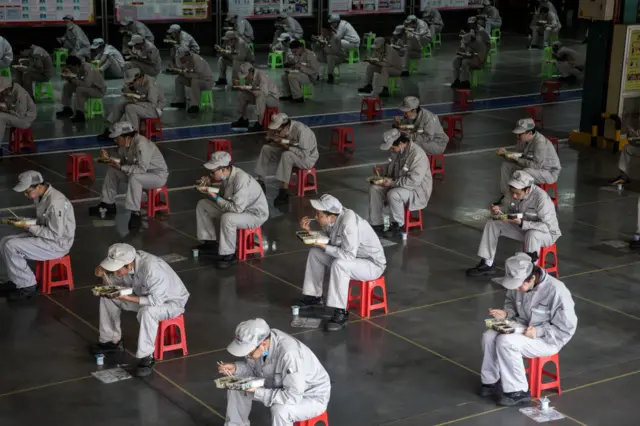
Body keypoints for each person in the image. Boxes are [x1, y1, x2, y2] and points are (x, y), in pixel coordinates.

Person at [481, 253, 577, 406]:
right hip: (523, 327)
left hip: (548, 339)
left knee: (506, 341)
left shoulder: (557, 291)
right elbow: (511, 303)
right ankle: (491, 382)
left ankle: (518, 391)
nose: (517, 289)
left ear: (532, 279)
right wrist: (506, 313)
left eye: (520, 286)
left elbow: (566, 329)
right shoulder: (518, 284)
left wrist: (538, 332)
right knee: (489, 336)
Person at [91, 243, 189, 377]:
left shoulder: (152, 269)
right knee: (107, 297)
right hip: (144, 295)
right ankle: (111, 340)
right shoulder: (129, 263)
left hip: (170, 302)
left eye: (117, 270)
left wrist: (127, 298)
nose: (115, 273)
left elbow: (155, 301)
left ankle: (147, 356)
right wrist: (104, 274)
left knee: (147, 312)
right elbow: (114, 284)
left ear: (129, 265)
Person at [298, 194, 387, 331]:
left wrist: (322, 246)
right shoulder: (335, 219)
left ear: (331, 216)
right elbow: (330, 240)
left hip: (371, 264)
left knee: (339, 265)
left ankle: (341, 313)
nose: (316, 217)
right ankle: (314, 297)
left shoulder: (348, 223)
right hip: (354, 259)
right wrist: (309, 232)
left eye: (319, 214)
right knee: (315, 253)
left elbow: (348, 255)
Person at [218, 318, 331, 425]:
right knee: (237, 386)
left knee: (280, 411)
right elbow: (254, 369)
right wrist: (236, 368)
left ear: (263, 345)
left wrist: (257, 392)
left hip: (309, 395)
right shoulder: (262, 341)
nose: (247, 356)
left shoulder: (290, 355)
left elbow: (292, 396)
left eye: (249, 353)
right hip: (278, 383)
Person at [466, 171, 561, 277]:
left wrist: (523, 223)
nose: (514, 196)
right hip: (522, 227)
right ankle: (488, 263)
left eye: (517, 193)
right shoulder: (512, 192)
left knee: (532, 234)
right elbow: (507, 208)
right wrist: (498, 211)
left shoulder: (541, 199)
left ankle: (530, 274)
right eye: (512, 192)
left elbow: (547, 226)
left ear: (528, 189)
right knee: (493, 222)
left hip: (546, 233)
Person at [0, 171, 75, 302]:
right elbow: (43, 221)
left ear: (39, 186)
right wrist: (24, 221)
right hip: (46, 237)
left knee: (11, 246)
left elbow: (55, 234)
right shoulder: (41, 196)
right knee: (4, 241)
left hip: (57, 244)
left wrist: (29, 227)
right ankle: (16, 280)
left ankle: (27, 285)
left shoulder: (55, 202)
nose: (26, 195)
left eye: (27, 192)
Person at [194, 151, 269, 269]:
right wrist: (209, 186)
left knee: (228, 218)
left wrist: (214, 196)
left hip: (254, 214)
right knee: (203, 205)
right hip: (239, 209)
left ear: (223, 169)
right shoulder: (227, 176)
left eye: (212, 172)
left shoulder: (241, 179)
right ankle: (210, 242)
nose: (211, 174)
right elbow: (226, 198)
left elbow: (236, 209)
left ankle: (228, 254)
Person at [89, 121, 169, 230]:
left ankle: (135, 213)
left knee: (135, 177)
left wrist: (121, 167)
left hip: (156, 176)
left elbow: (140, 169)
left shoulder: (141, 145)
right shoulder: (125, 144)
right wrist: (108, 159)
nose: (115, 140)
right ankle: (107, 205)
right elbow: (120, 161)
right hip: (141, 173)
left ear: (126, 137)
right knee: (113, 171)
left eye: (117, 138)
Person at [369, 129, 432, 238]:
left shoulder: (417, 155)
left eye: (393, 147)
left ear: (402, 144)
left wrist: (392, 183)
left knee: (393, 194)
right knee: (374, 188)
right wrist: (382, 169)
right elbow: (392, 167)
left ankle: (398, 225)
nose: (392, 150)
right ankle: (377, 224)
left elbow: (413, 181)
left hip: (416, 189)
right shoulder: (398, 151)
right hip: (399, 183)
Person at [255, 113, 319, 205]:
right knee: (266, 148)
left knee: (286, 155)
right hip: (291, 152)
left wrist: (285, 145)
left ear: (285, 127)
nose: (276, 133)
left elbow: (304, 154)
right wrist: (273, 139)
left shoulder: (302, 131)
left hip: (307, 159)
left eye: (277, 131)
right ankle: (261, 182)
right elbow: (289, 142)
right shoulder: (285, 130)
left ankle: (283, 191)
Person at [496, 118, 561, 198]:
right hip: (532, 167)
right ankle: (506, 196)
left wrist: (516, 158)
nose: (517, 136)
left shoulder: (539, 143)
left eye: (519, 134)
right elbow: (519, 156)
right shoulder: (523, 140)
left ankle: (524, 198)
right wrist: (505, 153)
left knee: (525, 171)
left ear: (529, 133)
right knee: (506, 166)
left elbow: (536, 165)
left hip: (548, 172)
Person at [98, 67, 164, 139]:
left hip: (154, 109)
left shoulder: (151, 85)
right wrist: (130, 92)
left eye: (132, 82)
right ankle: (111, 129)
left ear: (139, 78)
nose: (131, 84)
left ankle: (133, 131)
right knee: (120, 105)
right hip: (144, 104)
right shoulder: (139, 82)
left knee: (130, 107)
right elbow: (141, 95)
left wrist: (135, 100)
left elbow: (152, 104)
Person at [55, 55, 106, 123]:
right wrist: (68, 78)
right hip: (90, 88)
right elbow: (79, 82)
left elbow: (87, 84)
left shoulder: (87, 68)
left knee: (79, 89)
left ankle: (80, 114)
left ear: (76, 65)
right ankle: (67, 109)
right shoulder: (78, 69)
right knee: (66, 86)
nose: (70, 70)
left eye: (71, 67)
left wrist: (72, 80)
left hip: (98, 90)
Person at [232, 63, 280, 132]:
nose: (245, 77)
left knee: (260, 96)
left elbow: (263, 93)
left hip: (272, 98)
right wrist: (239, 84)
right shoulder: (250, 75)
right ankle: (244, 119)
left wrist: (248, 89)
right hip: (260, 95)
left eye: (246, 76)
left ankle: (259, 124)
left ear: (251, 71)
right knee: (242, 95)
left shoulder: (261, 76)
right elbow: (248, 85)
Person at [316, 14, 360, 83]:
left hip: (353, 43)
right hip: (343, 43)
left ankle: (330, 74)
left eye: (332, 23)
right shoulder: (329, 32)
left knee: (338, 43)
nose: (331, 25)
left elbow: (337, 39)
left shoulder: (341, 26)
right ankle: (317, 74)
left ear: (336, 22)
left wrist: (326, 44)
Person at [169, 47, 213, 114]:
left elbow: (199, 76)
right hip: (196, 80)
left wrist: (184, 73)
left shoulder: (197, 60)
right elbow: (185, 71)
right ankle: (180, 101)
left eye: (182, 58)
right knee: (179, 79)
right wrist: (175, 70)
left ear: (187, 55)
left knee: (194, 81)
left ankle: (195, 105)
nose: (180, 60)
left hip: (206, 81)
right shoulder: (187, 60)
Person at [0, 77, 37, 146]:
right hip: (17, 116)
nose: (0, 94)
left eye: (1, 92)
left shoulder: (20, 93)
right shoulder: (9, 91)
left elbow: (20, 114)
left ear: (7, 89)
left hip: (25, 120)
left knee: (1, 117)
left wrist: (7, 111)